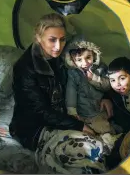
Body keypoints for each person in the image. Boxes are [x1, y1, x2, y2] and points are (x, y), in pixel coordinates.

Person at [9, 13, 112, 151]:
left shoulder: (64, 55)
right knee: (87, 148)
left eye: (62, 39)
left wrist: (105, 96)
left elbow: (91, 70)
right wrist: (78, 126)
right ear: (39, 38)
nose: (58, 46)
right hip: (35, 127)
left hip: (70, 114)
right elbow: (41, 111)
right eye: (52, 40)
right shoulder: (25, 69)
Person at [64, 35, 116, 135]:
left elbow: (108, 85)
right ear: (73, 60)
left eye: (88, 57)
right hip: (82, 112)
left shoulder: (100, 68)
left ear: (94, 55)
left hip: (98, 110)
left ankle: (112, 137)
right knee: (84, 131)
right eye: (79, 60)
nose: (85, 63)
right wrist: (72, 111)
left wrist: (95, 79)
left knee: (104, 129)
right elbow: (71, 91)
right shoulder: (73, 73)